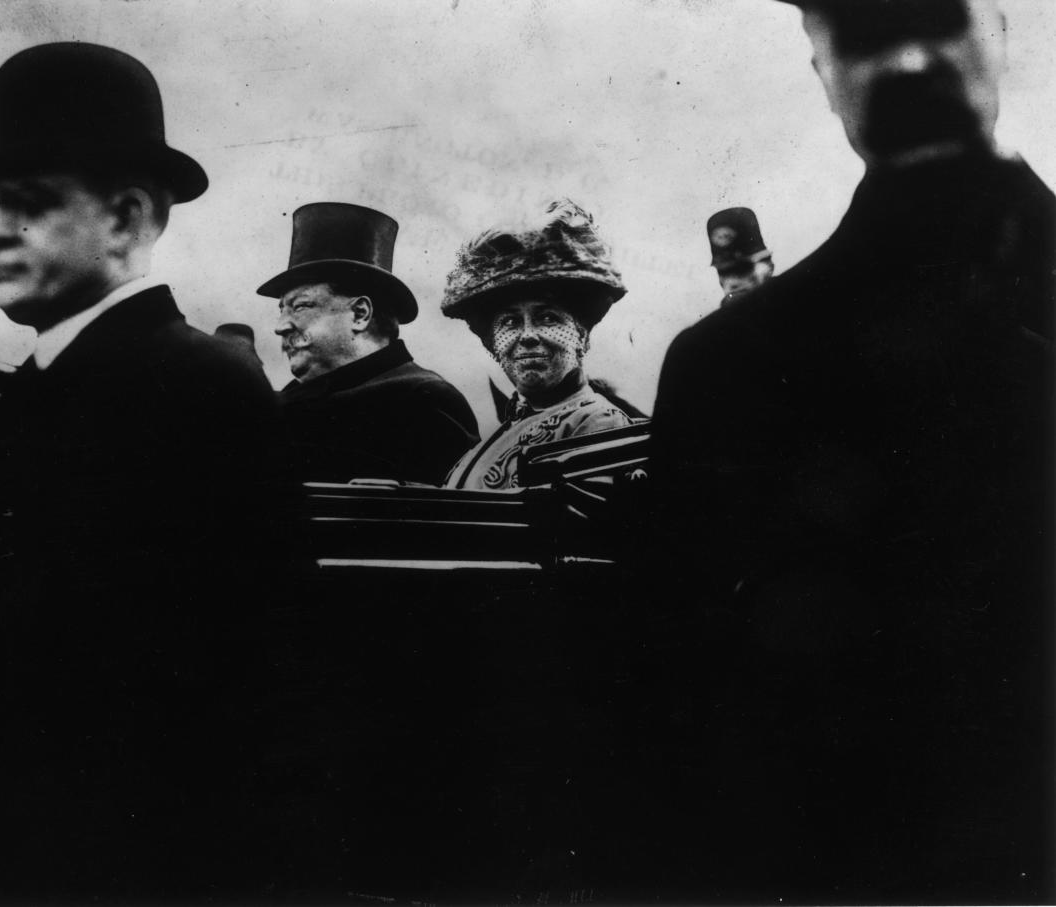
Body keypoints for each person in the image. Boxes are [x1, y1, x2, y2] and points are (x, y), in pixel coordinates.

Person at [644, 0, 1053, 901]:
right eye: (865, 33)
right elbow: (690, 721)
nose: (908, 61)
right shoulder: (728, 368)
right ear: (820, 68)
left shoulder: (733, 360)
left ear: (1002, 29)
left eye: (940, 20)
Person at [0, 42, 293, 901]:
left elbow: (237, 694)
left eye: (27, 202)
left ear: (130, 218)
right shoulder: (47, 384)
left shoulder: (198, 388)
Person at [263, 202, 479, 484]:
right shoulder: (279, 404)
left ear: (360, 314)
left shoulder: (422, 401)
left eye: (300, 306)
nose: (281, 326)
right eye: (281, 309)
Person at [442, 199, 640, 490]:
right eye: (509, 322)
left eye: (547, 318)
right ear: (494, 343)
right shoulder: (503, 432)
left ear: (581, 336)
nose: (527, 335)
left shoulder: (597, 424)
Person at [705, 206, 774, 306]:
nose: (733, 281)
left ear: (769, 266)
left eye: (743, 269)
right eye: (724, 272)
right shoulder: (723, 319)